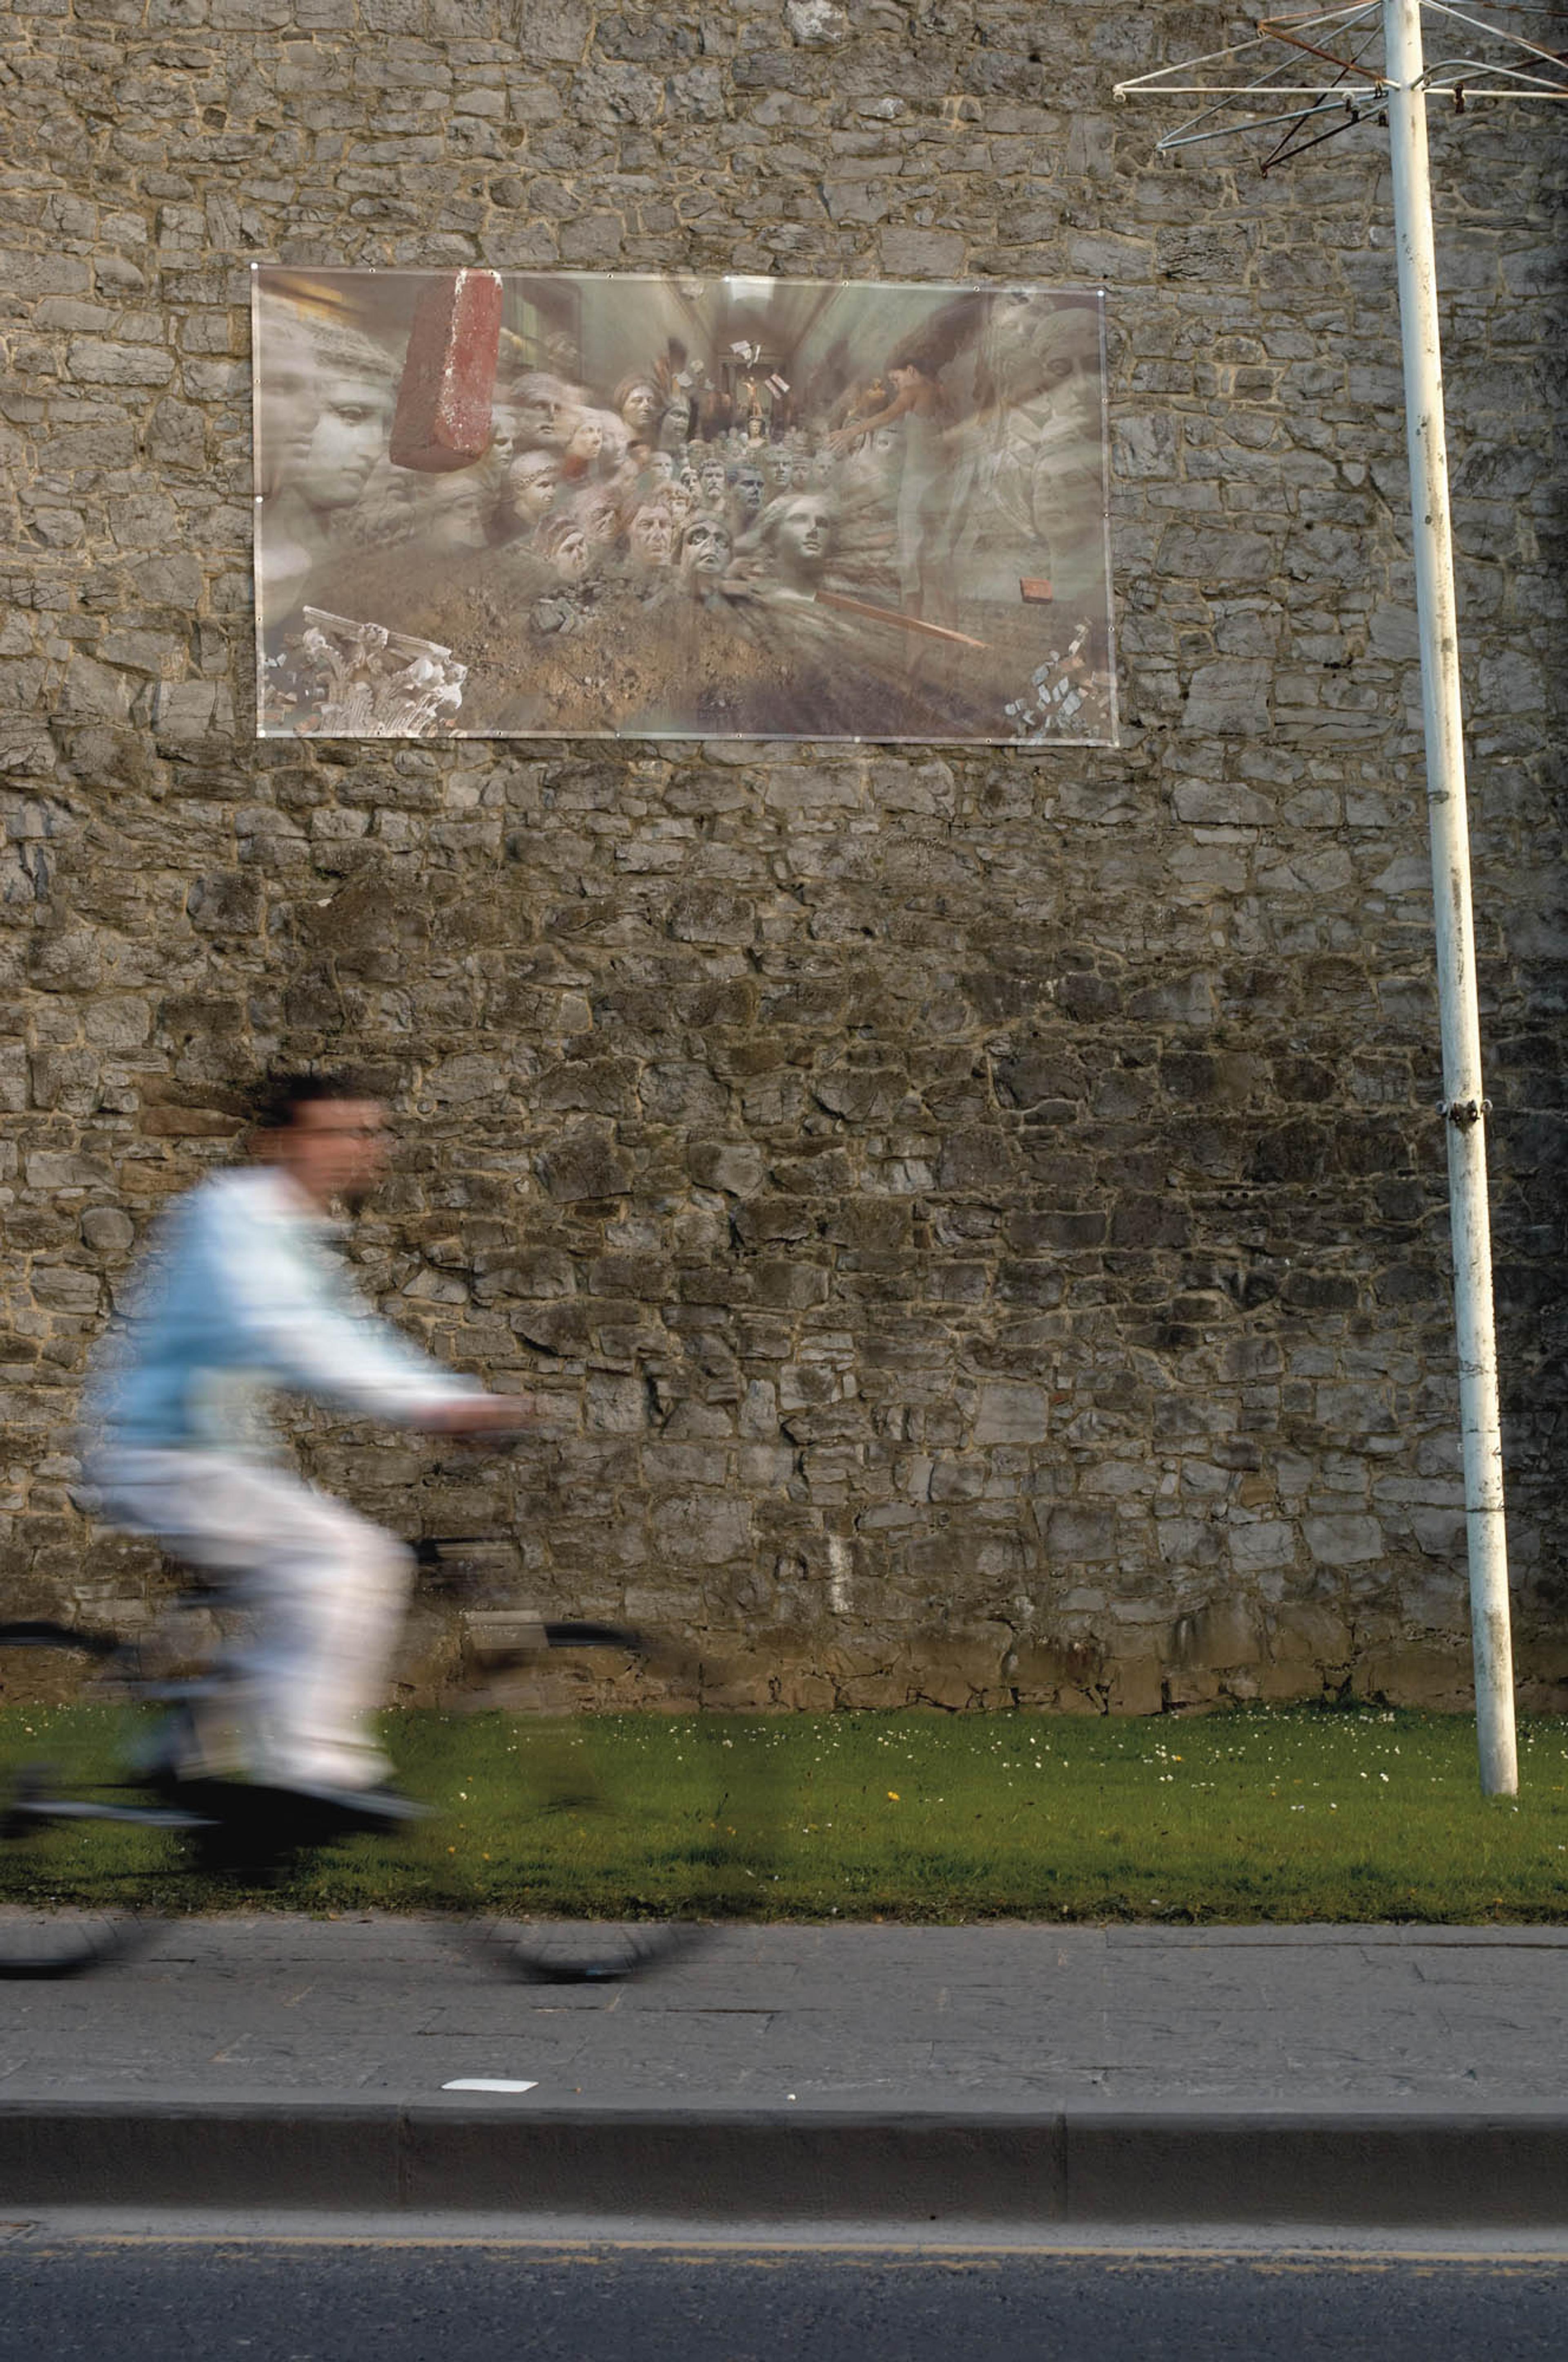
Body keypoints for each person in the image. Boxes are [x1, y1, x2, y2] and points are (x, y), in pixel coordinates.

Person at [84, 1073, 528, 1824]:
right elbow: (288, 1335)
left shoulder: (298, 1231)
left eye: (368, 1132)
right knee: (353, 1560)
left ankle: (187, 1749)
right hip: (165, 1455)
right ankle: (313, 1765)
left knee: (303, 1601)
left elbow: (356, 1339)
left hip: (213, 1457)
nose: (359, 1148)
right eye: (338, 1132)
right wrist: (432, 1405)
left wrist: (452, 1394)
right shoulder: (231, 1218)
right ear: (279, 1144)